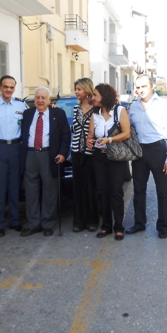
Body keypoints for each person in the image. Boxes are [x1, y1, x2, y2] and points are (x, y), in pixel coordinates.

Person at [126, 74, 167, 239]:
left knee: (162, 191)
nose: (141, 90)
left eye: (144, 86)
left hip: (158, 150)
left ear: (152, 86)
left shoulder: (163, 104)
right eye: (138, 87)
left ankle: (162, 226)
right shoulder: (133, 106)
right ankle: (139, 223)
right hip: (139, 153)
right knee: (138, 190)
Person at [19, 86, 71, 237]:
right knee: (31, 191)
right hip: (30, 155)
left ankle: (47, 223)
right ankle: (33, 224)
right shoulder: (27, 114)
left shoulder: (58, 113)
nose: (40, 100)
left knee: (50, 191)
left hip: (49, 155)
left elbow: (66, 136)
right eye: (38, 97)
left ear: (49, 100)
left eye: (43, 98)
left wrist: (62, 153)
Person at [86, 83, 131, 240]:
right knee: (102, 191)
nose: (93, 98)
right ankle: (106, 226)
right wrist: (88, 141)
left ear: (104, 96)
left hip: (116, 156)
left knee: (116, 192)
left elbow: (126, 133)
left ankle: (119, 227)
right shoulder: (95, 114)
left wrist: (110, 139)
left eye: (95, 95)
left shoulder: (120, 111)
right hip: (99, 156)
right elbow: (90, 135)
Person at [0, 75, 27, 237]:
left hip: (16, 148)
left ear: (14, 89)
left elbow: (32, 118)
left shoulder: (21, 105)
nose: (8, 90)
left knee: (14, 186)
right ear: (0, 88)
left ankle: (15, 220)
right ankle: (0, 223)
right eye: (5, 87)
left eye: (11, 87)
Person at [71, 77, 99, 233]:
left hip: (91, 154)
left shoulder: (96, 108)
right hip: (76, 152)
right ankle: (79, 221)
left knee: (91, 188)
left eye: (79, 89)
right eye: (76, 89)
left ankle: (92, 220)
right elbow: (74, 129)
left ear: (87, 90)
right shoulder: (76, 108)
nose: (76, 92)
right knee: (78, 188)